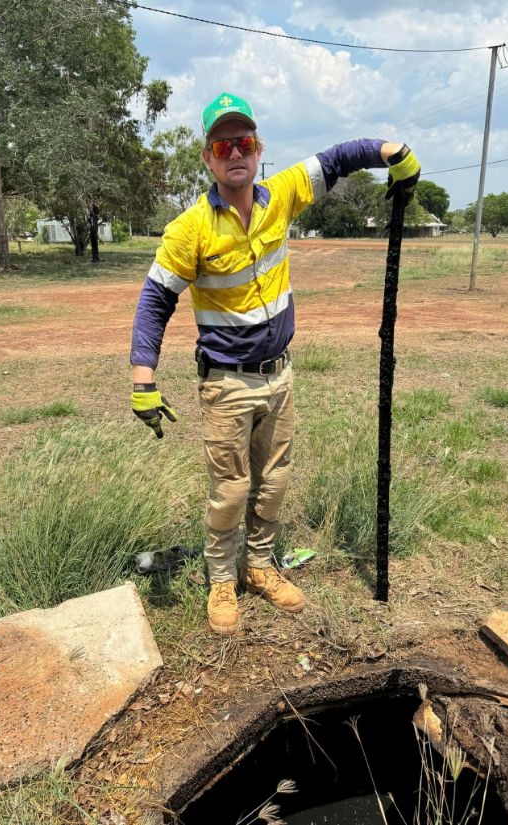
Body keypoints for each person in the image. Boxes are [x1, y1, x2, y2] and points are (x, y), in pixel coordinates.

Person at [130, 92, 420, 635]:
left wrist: (392, 152)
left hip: (280, 377)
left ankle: (260, 567)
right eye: (223, 145)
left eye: (244, 142)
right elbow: (155, 301)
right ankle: (222, 578)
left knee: (275, 479)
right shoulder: (189, 230)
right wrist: (142, 377)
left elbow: (338, 158)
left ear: (258, 149)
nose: (234, 152)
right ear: (208, 158)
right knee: (232, 487)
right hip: (226, 384)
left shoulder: (281, 196)